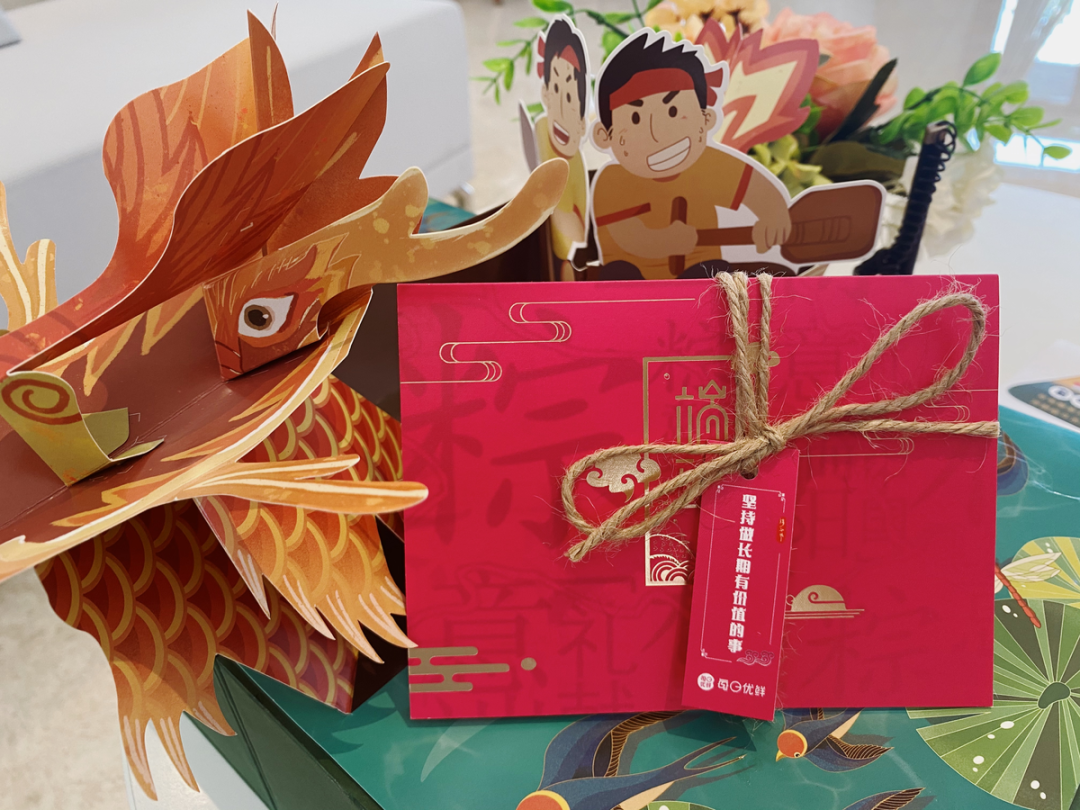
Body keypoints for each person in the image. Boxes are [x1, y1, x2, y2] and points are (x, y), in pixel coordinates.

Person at [590, 28, 792, 279]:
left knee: (713, 276)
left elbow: (757, 190)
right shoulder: (613, 181)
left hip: (698, 276)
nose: (657, 135)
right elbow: (628, 236)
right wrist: (663, 240)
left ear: (706, 119)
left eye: (673, 112)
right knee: (620, 275)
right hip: (633, 281)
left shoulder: (710, 165)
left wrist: (773, 216)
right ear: (605, 135)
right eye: (635, 118)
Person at [532, 17, 589, 280]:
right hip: (549, 240)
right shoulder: (541, 129)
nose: (562, 109)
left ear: (582, 122)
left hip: (571, 255)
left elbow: (577, 224)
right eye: (555, 89)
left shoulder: (575, 163)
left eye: (570, 97)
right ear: (545, 93)